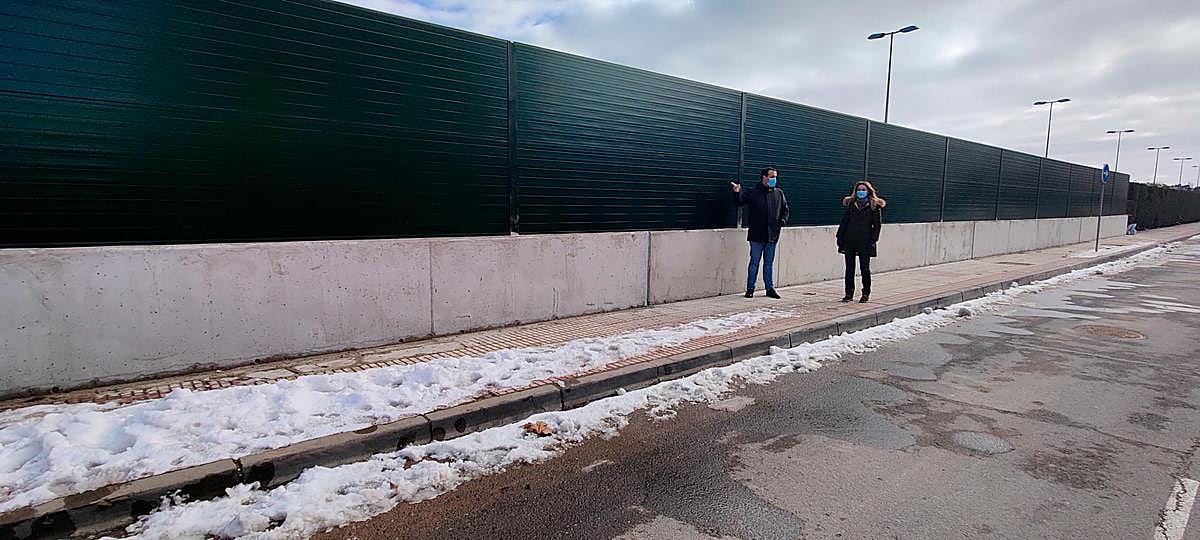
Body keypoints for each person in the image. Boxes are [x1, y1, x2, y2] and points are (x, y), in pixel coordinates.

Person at [731, 167, 789, 299]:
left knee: (769, 263)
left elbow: (785, 210)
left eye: (775, 177)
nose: (774, 179)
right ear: (764, 177)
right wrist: (736, 192)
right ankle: (750, 289)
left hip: (772, 235)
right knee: (754, 263)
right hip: (757, 235)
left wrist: (782, 221)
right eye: (772, 177)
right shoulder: (753, 192)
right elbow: (739, 202)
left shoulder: (779, 193)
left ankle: (770, 289)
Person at [836, 181, 885, 303]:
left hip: (865, 241)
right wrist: (840, 237)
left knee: (865, 268)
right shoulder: (851, 204)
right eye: (859, 190)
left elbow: (877, 225)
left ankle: (865, 293)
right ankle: (848, 293)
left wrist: (873, 240)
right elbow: (844, 221)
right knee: (849, 268)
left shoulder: (874, 206)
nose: (861, 192)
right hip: (850, 240)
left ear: (868, 191)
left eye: (863, 190)